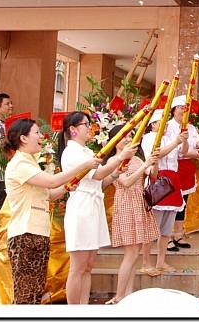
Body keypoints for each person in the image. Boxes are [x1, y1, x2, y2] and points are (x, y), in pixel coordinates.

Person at [3, 118, 100, 304]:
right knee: (26, 294)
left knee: (36, 291)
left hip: (38, 233)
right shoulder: (20, 164)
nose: (41, 136)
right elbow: (52, 181)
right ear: (23, 138)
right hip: (25, 235)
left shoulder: (30, 163)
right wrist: (83, 166)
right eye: (37, 133)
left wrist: (67, 187)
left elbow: (49, 194)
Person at [56, 111, 136, 304]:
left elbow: (100, 182)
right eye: (85, 124)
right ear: (73, 129)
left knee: (88, 265)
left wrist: (115, 173)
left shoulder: (86, 151)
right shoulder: (72, 152)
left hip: (94, 205)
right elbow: (97, 174)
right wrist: (120, 157)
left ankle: (84, 306)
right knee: (78, 267)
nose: (89, 128)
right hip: (82, 207)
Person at [104, 124, 161, 304]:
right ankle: (119, 296)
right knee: (130, 254)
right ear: (115, 141)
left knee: (135, 254)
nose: (129, 139)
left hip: (139, 203)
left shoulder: (135, 158)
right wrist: (145, 164)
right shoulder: (113, 160)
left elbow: (152, 174)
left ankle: (128, 294)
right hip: (126, 205)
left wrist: (155, 160)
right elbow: (126, 182)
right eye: (125, 137)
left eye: (131, 136)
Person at [140, 109, 189, 273]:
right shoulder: (149, 138)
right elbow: (157, 154)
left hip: (173, 179)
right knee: (153, 227)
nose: (165, 124)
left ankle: (161, 261)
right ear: (153, 124)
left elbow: (182, 152)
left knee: (167, 228)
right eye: (161, 121)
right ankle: (146, 263)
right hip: (158, 178)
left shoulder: (169, 137)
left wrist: (183, 140)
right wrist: (175, 142)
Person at [166, 95, 199, 251]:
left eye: (186, 108)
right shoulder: (167, 126)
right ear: (173, 110)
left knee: (182, 203)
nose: (184, 111)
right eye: (181, 108)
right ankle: (166, 236)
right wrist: (193, 153)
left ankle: (178, 234)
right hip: (172, 167)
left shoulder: (191, 127)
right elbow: (172, 149)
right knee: (170, 203)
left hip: (186, 169)